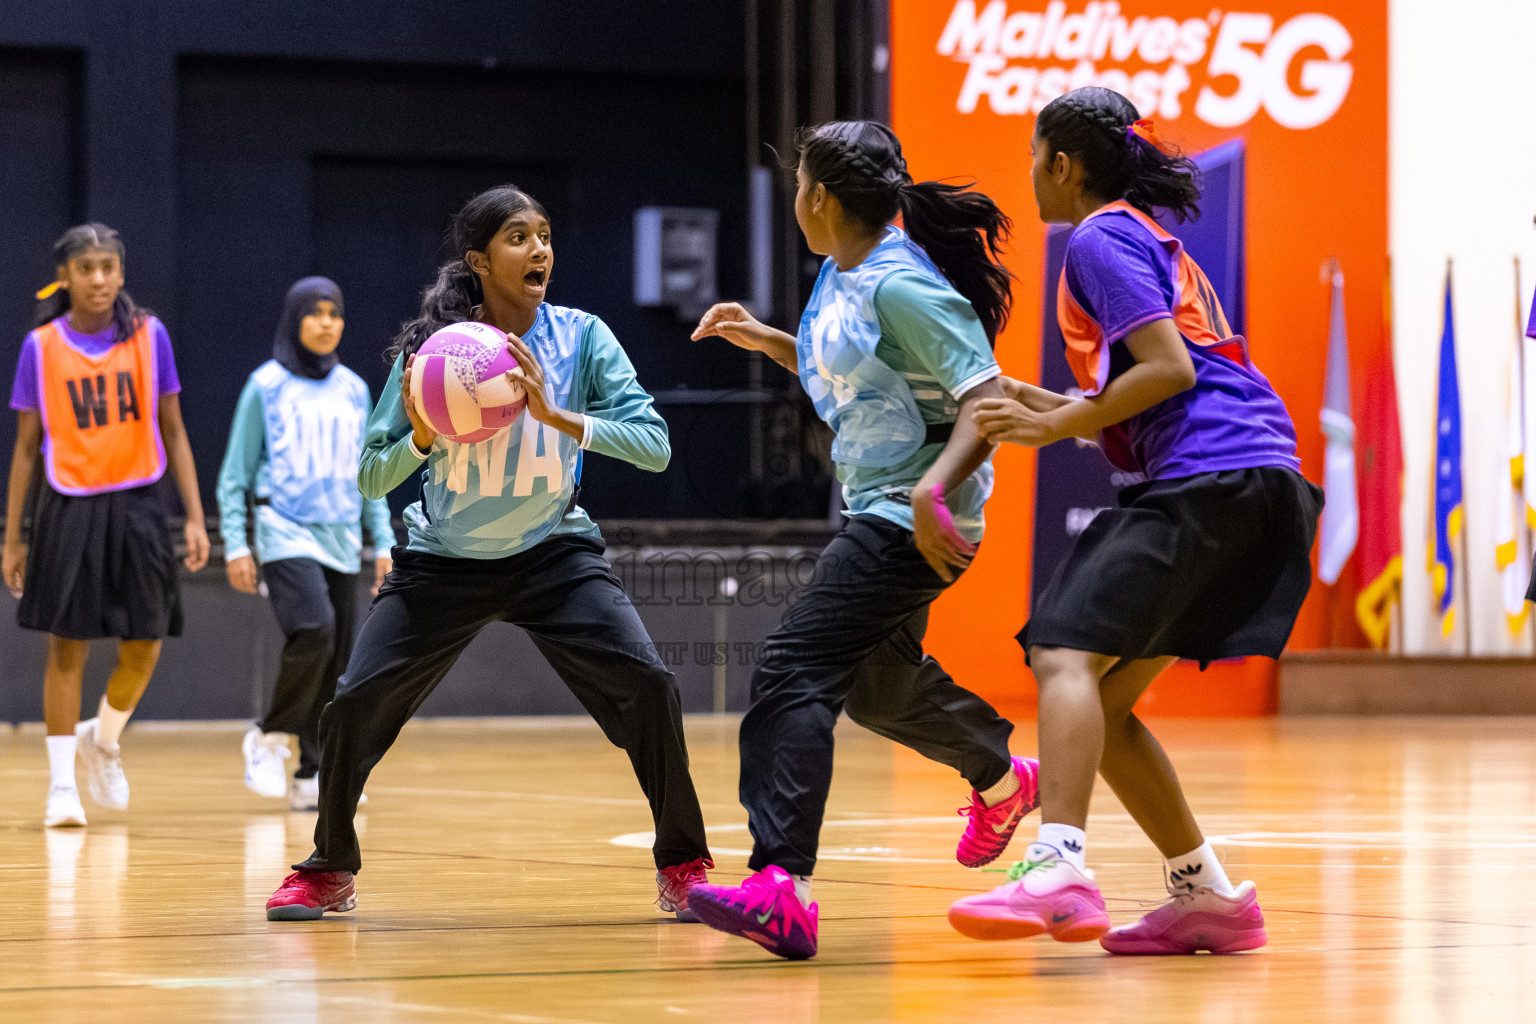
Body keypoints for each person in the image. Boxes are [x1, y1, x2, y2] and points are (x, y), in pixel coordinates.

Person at [263, 185, 714, 921]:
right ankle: (328, 869)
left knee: (650, 686)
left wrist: (560, 416)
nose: (539, 249)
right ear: (479, 260)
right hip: (441, 563)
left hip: (553, 555)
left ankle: (686, 865)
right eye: (517, 237)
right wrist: (418, 432)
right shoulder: (431, 354)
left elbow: (658, 448)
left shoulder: (582, 338)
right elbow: (370, 475)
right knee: (352, 704)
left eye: (544, 235)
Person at [947, 87, 1321, 954]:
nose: (1031, 175)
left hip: (1212, 475)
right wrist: (1045, 404)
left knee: (1061, 650)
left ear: (1062, 164)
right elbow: (1147, 383)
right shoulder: (1142, 237)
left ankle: (1059, 863)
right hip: (1260, 480)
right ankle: (1209, 899)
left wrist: (1056, 423)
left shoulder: (1097, 235)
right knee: (1105, 709)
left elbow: (1169, 369)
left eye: (1035, 157)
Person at [684, 121, 1036, 960]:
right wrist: (765, 339)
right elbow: (843, 369)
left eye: (798, 183)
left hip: (918, 520)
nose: (794, 196)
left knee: (793, 665)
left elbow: (985, 400)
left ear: (822, 197)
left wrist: (932, 486)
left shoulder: (903, 286)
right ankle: (998, 775)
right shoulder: (838, 276)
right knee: (876, 685)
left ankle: (781, 887)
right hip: (879, 507)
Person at [3, 223, 209, 828]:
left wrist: (195, 517)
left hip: (141, 503)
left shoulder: (151, 336)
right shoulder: (40, 347)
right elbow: (23, 450)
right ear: (64, 277)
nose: (98, 279)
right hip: (67, 503)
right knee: (66, 647)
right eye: (86, 268)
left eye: (108, 267)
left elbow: (174, 429)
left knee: (144, 643)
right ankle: (61, 788)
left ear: (121, 273)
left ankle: (106, 738)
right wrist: (12, 536)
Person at [217, 277, 395, 811]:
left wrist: (382, 540)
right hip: (284, 531)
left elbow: (372, 473)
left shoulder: (354, 389)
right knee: (313, 632)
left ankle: (312, 774)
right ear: (295, 320)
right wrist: (235, 544)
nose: (326, 323)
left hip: (342, 536)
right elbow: (235, 475)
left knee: (340, 660)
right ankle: (269, 734)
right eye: (314, 313)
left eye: (335, 313)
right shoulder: (265, 385)